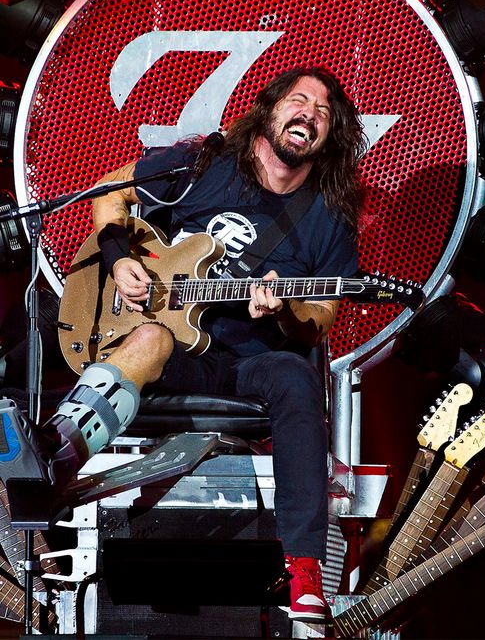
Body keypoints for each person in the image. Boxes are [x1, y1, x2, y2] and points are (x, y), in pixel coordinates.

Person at [40, 67, 365, 624]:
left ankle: (304, 569)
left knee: (295, 375)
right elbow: (110, 195)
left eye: (324, 112)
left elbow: (320, 320)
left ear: (330, 135)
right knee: (148, 336)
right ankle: (57, 456)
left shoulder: (329, 217)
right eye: (299, 100)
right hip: (169, 348)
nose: (309, 114)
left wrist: (285, 311)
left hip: (247, 364)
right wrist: (119, 258)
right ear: (268, 110)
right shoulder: (205, 165)